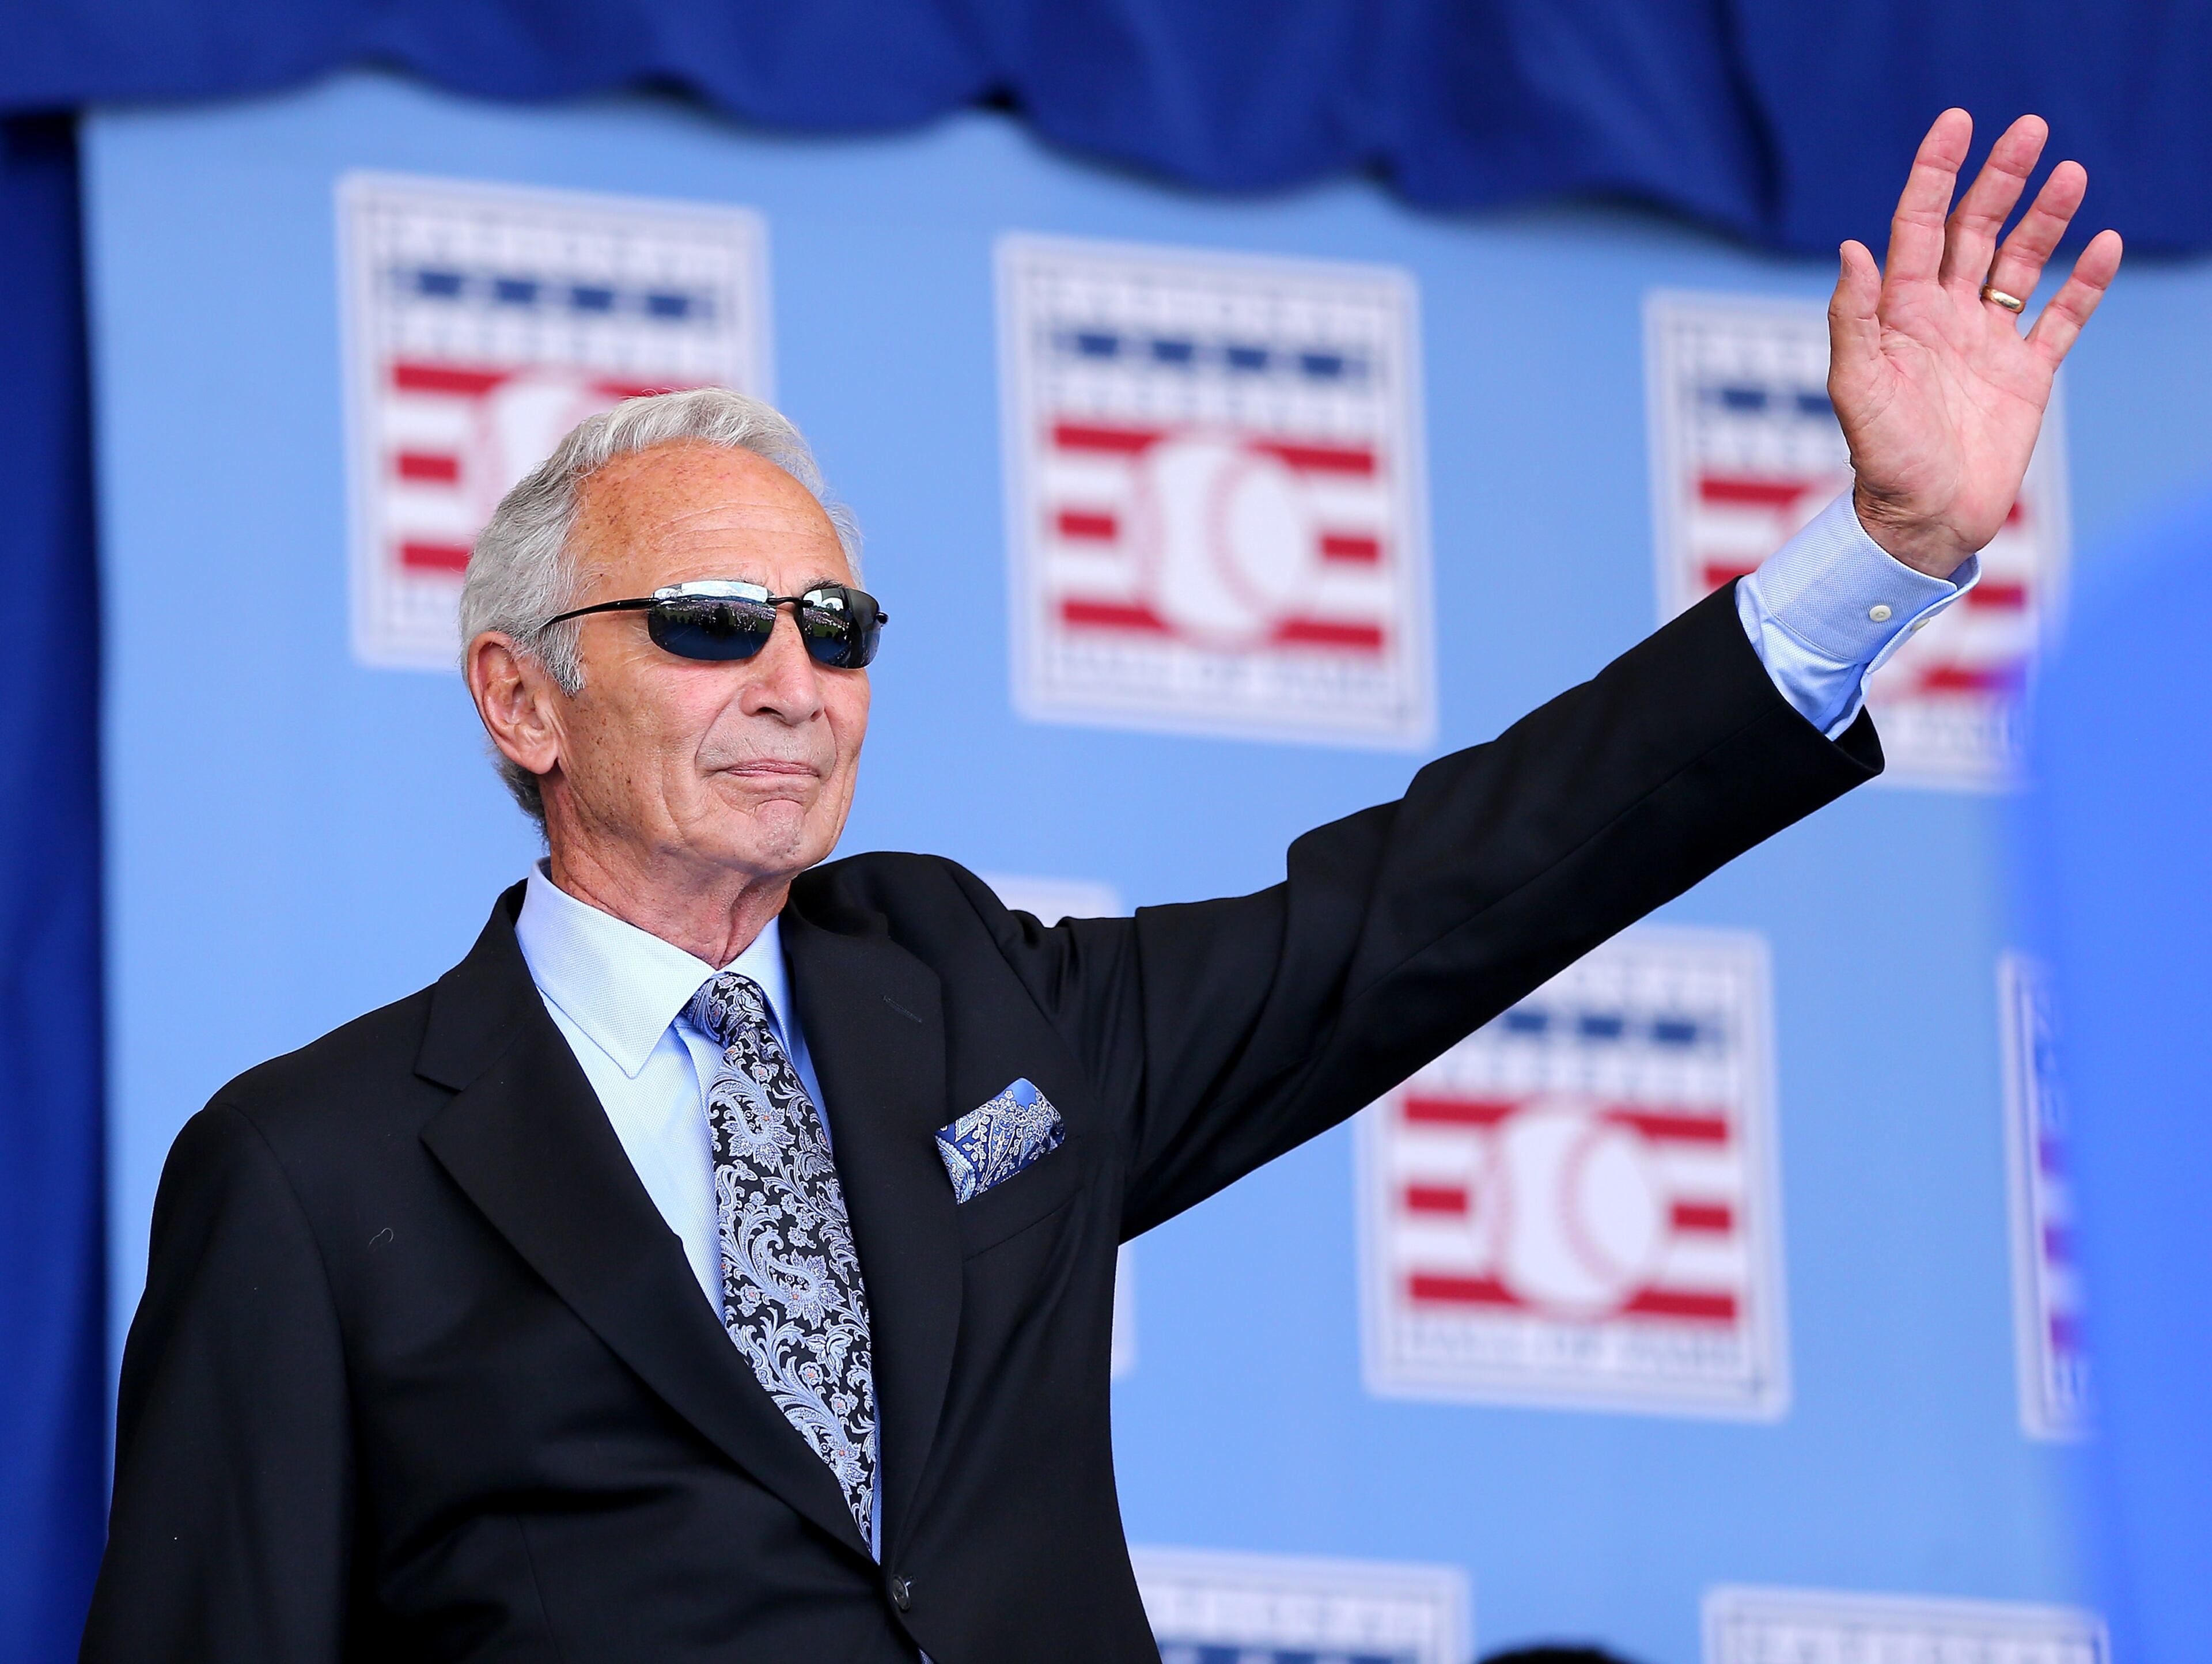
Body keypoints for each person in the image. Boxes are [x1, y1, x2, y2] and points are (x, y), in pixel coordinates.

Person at [81, 111, 2118, 1663]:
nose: (794, 675)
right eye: (710, 622)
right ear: (524, 695)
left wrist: (1880, 551)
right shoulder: (312, 1169)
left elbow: (1429, 902)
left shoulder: (962, 991)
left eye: (836, 620)